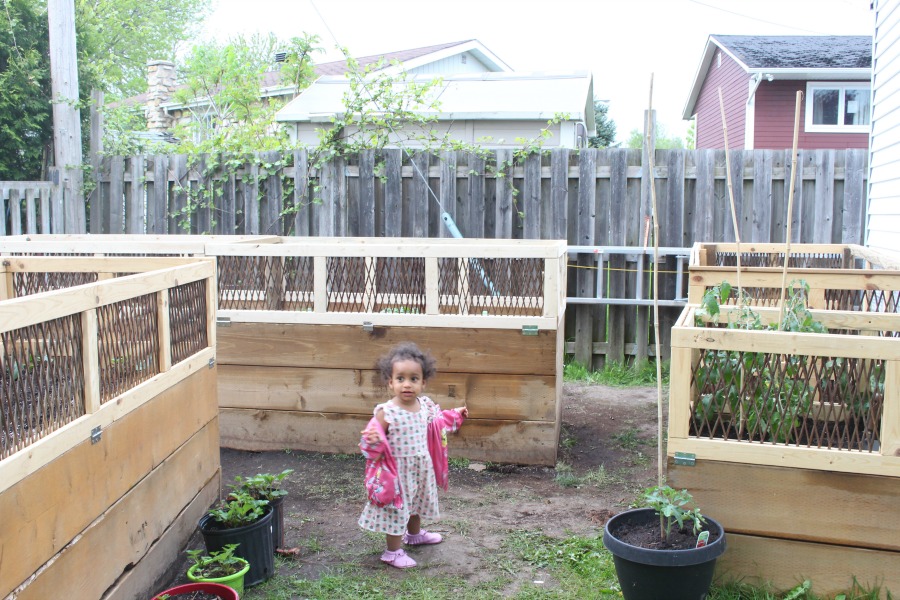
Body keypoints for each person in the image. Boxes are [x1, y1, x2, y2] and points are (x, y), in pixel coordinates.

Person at [358, 342, 468, 569]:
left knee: (416, 503)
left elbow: (437, 424)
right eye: (400, 379)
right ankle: (393, 551)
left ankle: (414, 535)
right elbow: (370, 442)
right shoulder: (386, 412)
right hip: (397, 473)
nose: (407, 384)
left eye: (413, 379)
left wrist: (455, 415)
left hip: (420, 467)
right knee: (398, 509)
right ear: (390, 382)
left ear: (423, 382)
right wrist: (373, 440)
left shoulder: (424, 405)